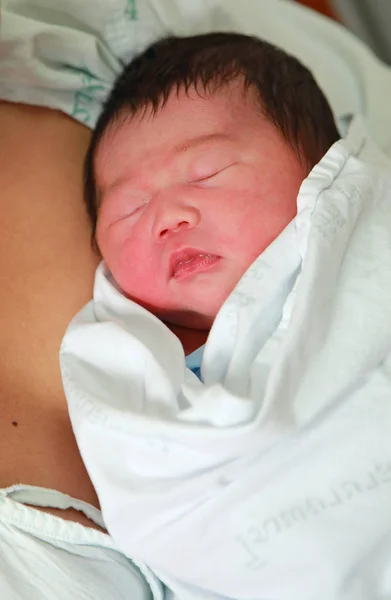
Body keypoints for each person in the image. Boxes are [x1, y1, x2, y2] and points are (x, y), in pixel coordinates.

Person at [61, 33, 391, 600]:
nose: (167, 215)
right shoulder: (143, 379)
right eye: (129, 209)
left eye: (208, 172)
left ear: (319, 175)